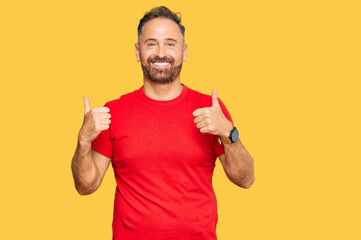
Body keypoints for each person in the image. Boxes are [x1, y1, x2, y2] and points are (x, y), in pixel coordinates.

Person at [71, 6, 255, 240]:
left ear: (184, 52)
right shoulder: (113, 111)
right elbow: (85, 186)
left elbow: (245, 180)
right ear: (138, 52)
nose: (160, 53)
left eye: (170, 44)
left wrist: (229, 133)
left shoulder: (210, 109)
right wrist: (83, 140)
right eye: (151, 44)